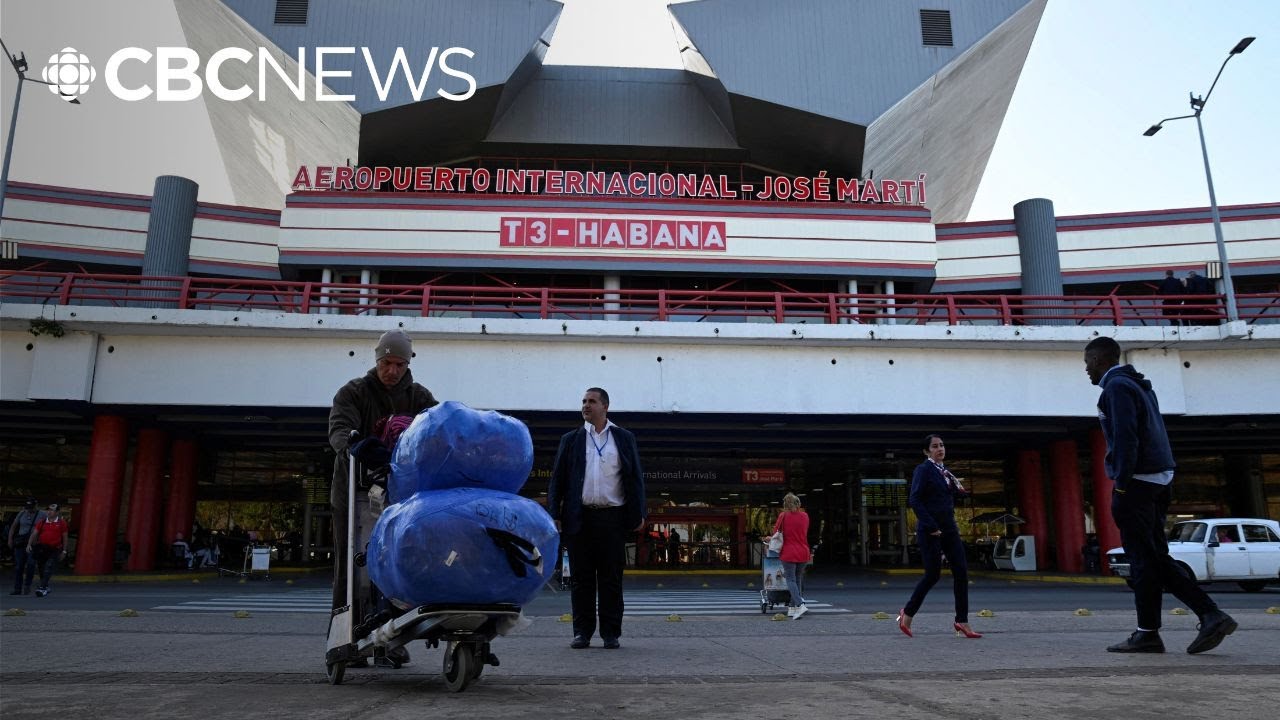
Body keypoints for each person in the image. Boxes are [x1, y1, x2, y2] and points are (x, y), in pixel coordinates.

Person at [1084, 336, 1236, 653]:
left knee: (1144, 559)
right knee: (1152, 557)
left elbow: (1126, 438)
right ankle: (1150, 631)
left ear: (1099, 360)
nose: (1086, 370)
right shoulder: (1138, 385)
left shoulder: (1117, 388)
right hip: (1158, 479)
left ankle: (1208, 615)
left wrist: (1122, 483)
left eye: (1088, 363)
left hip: (1137, 482)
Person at [328, 329, 438, 665]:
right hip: (354, 490)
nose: (392, 371)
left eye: (399, 364)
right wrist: (355, 444)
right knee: (353, 566)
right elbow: (338, 430)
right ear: (377, 360)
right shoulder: (353, 392)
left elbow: (438, 427)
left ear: (408, 364)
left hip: (400, 494)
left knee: (396, 564)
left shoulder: (420, 397)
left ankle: (391, 638)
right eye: (386, 363)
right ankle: (346, 637)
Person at [547, 387, 647, 650]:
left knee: (611, 578)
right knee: (581, 579)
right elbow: (557, 480)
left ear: (605, 406)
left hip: (612, 518)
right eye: (583, 401)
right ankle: (582, 632)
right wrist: (555, 514)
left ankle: (611, 633)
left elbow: (634, 477)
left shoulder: (623, 438)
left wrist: (639, 513)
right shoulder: (571, 439)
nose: (585, 405)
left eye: (591, 401)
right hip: (579, 518)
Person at [897, 434, 981, 639]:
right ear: (926, 451)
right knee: (933, 574)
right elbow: (915, 500)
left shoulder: (945, 472)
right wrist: (931, 525)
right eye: (935, 446)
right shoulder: (923, 470)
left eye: (942, 445)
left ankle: (962, 620)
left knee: (961, 572)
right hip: (930, 529)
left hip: (949, 528)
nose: (940, 449)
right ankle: (907, 613)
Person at [770, 492, 811, 619]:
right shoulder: (805, 516)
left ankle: (800, 604)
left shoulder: (783, 516)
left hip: (789, 552)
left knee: (790, 580)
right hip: (803, 551)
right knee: (798, 579)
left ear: (785, 504)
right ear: (798, 503)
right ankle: (793, 609)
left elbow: (776, 532)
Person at [27, 503, 69, 597]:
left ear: (57, 512)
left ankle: (42, 588)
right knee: (41, 568)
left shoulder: (61, 523)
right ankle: (45, 585)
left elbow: (65, 537)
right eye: (48, 510)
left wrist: (64, 551)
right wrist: (29, 544)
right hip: (43, 548)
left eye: (52, 510)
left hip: (55, 548)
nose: (49, 512)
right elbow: (34, 533)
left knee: (49, 567)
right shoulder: (42, 522)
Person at [8, 498, 43, 595]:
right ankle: (17, 588)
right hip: (21, 542)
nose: (29, 509)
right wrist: (10, 539)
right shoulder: (22, 513)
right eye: (28, 507)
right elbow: (13, 526)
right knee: (19, 566)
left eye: (31, 507)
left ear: (36, 506)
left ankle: (27, 584)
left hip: (33, 543)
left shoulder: (42, 514)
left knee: (31, 564)